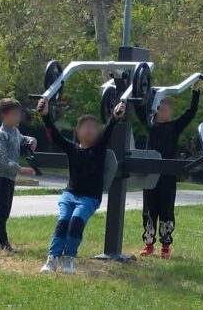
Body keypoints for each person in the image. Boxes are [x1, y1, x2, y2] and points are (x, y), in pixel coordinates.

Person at [39, 98, 126, 274]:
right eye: (86, 126)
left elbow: (109, 128)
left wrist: (116, 116)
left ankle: (69, 257)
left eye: (94, 127)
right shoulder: (72, 148)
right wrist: (45, 115)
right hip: (70, 194)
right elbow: (54, 135)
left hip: (90, 198)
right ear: (77, 131)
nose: (90, 130)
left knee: (76, 221)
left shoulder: (100, 147)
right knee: (63, 222)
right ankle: (53, 258)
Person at [139, 81, 200, 258]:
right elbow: (138, 107)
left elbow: (191, 112)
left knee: (166, 210)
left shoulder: (174, 127)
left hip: (167, 178)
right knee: (149, 211)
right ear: (157, 108)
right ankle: (148, 245)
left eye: (169, 108)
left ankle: (165, 247)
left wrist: (195, 92)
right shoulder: (149, 125)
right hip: (150, 176)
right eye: (164, 107)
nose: (167, 110)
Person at [0, 98, 37, 253]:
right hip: (0, 178)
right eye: (15, 114)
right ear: (5, 115)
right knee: (3, 211)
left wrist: (32, 140)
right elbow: (1, 157)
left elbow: (23, 139)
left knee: (2, 210)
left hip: (9, 178)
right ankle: (4, 243)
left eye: (19, 114)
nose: (18, 117)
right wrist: (19, 168)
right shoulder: (1, 135)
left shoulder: (15, 132)